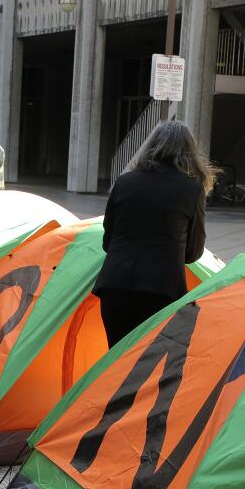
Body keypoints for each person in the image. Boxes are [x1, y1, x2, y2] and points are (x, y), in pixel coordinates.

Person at [93, 120, 211, 347]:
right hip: (161, 291)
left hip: (114, 286)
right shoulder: (192, 189)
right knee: (147, 366)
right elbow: (193, 252)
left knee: (115, 363)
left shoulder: (124, 182)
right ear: (188, 152)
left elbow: (108, 242)